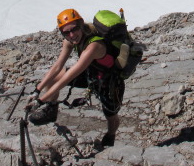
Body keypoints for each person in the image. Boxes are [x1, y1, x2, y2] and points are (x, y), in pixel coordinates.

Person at [27, 8, 125, 147]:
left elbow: (70, 75)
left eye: (74, 29)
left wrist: (40, 100)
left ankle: (111, 134)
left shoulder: (94, 46)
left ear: (81, 25)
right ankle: (52, 109)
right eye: (66, 32)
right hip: (91, 72)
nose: (72, 35)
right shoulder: (70, 41)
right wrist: (37, 90)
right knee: (55, 79)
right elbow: (57, 67)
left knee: (110, 114)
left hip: (108, 81)